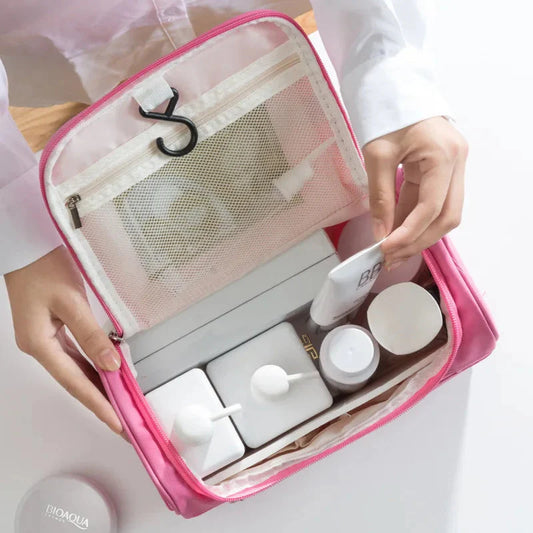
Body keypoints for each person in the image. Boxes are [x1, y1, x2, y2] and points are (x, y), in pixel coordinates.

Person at [0, 0, 467, 437]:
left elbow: (380, 57)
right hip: (58, 46)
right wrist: (18, 235)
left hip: (263, 36)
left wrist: (387, 71)